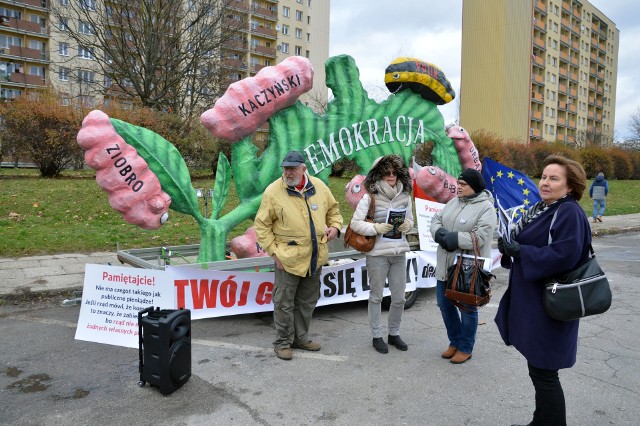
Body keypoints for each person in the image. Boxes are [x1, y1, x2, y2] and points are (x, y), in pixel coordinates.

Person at [495, 155, 591, 426]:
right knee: (539, 370)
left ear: (570, 186)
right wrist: (511, 248)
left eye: (554, 178)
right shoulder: (543, 209)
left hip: (552, 305)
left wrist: (521, 251)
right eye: (544, 176)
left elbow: (565, 255)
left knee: (545, 373)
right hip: (537, 303)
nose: (545, 182)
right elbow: (532, 244)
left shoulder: (569, 211)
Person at [254, 150, 343, 361]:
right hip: (288, 259)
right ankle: (283, 342)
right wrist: (274, 252)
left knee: (307, 301)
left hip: (315, 256)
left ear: (304, 169)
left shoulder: (319, 187)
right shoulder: (273, 192)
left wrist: (336, 228)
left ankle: (300, 338)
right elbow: (261, 226)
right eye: (285, 168)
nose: (288, 172)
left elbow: (334, 210)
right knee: (284, 302)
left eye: (292, 168)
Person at [430, 168, 496, 364]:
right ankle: (455, 342)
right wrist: (439, 233)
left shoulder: (486, 208)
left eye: (463, 184)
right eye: (458, 183)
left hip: (467, 269)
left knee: (467, 308)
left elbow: (481, 236)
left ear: (474, 187)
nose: (458, 187)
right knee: (444, 305)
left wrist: (455, 239)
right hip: (445, 265)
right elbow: (436, 219)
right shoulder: (453, 201)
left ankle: (466, 347)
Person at [350, 155, 414, 354]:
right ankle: (376, 335)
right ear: (380, 174)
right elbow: (355, 223)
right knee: (376, 296)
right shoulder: (370, 196)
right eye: (387, 172)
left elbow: (411, 222)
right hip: (377, 254)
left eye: (395, 172)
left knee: (399, 298)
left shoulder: (405, 195)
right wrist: (376, 227)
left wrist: (407, 225)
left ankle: (394, 333)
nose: (391, 176)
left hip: (399, 252)